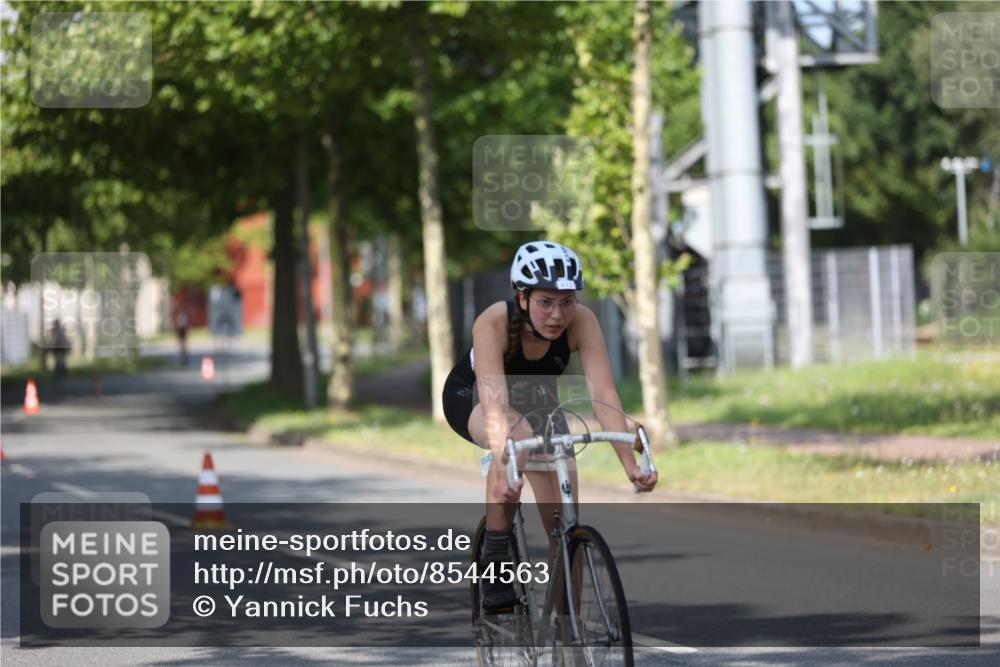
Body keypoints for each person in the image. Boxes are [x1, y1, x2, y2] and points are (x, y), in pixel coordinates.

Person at [442, 240, 658, 612]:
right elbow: (495, 407)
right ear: (523, 298)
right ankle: (495, 557)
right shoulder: (493, 321)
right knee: (515, 433)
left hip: (539, 401)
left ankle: (567, 633)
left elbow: (603, 397)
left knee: (563, 519)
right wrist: (504, 465)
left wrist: (630, 465)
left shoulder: (583, 322)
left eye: (567, 300)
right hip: (477, 396)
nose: (558, 313)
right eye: (546, 301)